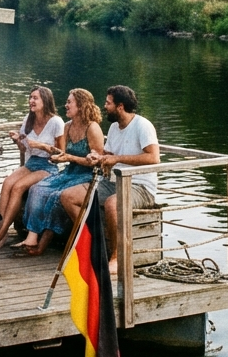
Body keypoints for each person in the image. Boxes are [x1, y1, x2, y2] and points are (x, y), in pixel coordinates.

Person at [60, 85, 159, 267]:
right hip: (112, 182)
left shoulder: (142, 125)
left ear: (120, 106)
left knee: (112, 204)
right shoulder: (114, 127)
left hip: (140, 186)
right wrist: (97, 155)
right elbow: (109, 153)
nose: (104, 106)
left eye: (108, 103)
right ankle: (92, 243)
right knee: (68, 196)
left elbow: (153, 158)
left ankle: (117, 257)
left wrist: (117, 159)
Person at [14, 88, 105, 256]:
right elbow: (60, 151)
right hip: (69, 171)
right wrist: (53, 154)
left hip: (87, 175)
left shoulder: (93, 128)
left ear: (81, 105)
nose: (66, 105)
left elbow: (97, 163)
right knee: (37, 188)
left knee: (56, 196)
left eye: (70, 102)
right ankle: (32, 236)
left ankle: (42, 246)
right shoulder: (67, 126)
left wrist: (68, 157)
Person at [0, 86, 64, 248]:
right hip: (32, 162)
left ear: (46, 100)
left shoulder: (56, 122)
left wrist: (41, 145)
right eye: (30, 97)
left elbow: (61, 153)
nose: (31, 101)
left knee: (18, 187)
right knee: (8, 182)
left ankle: (1, 232)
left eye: (35, 98)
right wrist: (17, 140)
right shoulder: (28, 120)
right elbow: (24, 149)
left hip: (48, 166)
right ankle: (2, 232)